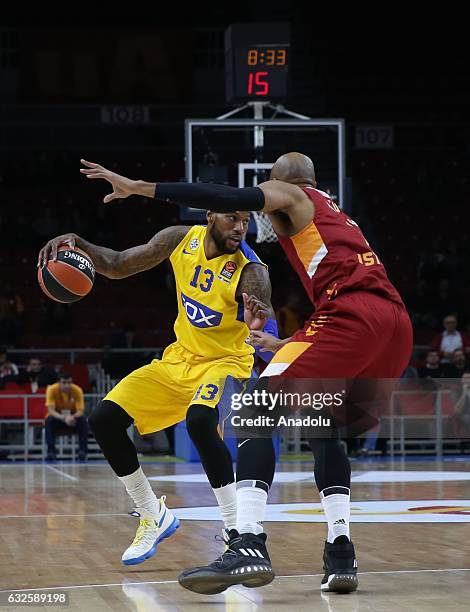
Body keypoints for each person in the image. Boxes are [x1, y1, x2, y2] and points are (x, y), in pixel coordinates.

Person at [79, 152, 413, 593]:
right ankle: (340, 554)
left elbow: (223, 195)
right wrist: (286, 344)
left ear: (281, 183)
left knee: (256, 411)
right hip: (393, 323)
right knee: (324, 429)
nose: (253, 217)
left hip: (349, 313)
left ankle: (248, 542)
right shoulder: (338, 215)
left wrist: (139, 186)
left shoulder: (292, 195)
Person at [38, 208, 277, 568]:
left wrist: (262, 323)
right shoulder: (179, 238)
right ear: (211, 216)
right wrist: (78, 242)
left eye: (245, 220)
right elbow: (118, 264)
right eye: (232, 218)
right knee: (104, 419)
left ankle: (234, 530)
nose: (241, 228)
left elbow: (267, 318)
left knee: (199, 421)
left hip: (225, 361)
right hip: (179, 358)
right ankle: (152, 513)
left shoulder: (251, 271)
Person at [45, 372, 88, 461]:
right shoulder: (51, 389)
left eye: (69, 382)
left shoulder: (77, 390)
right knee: (48, 421)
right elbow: (51, 410)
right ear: (59, 383)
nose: (67, 385)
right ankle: (51, 452)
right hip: (58, 418)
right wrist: (64, 418)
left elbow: (80, 411)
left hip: (73, 419)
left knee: (83, 420)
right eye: (64, 383)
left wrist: (72, 417)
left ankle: (82, 451)